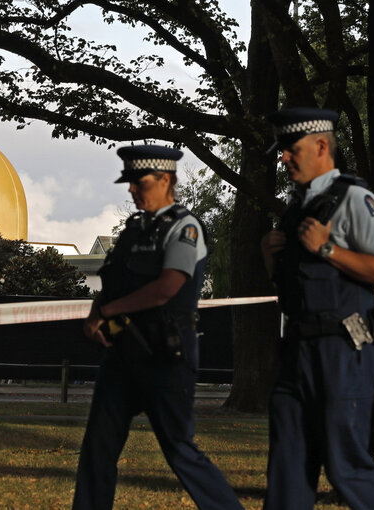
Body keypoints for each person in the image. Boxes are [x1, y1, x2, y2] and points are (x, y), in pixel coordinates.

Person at [73, 145, 243, 510]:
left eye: (140, 183)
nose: (132, 190)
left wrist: (110, 310)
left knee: (180, 449)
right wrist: (94, 314)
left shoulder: (185, 227)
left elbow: (168, 286)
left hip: (164, 354)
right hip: (122, 354)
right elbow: (111, 281)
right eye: (129, 183)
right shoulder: (133, 229)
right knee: (97, 448)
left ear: (166, 180)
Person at [259, 108, 374, 510]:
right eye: (282, 151)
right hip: (296, 354)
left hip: (343, 351)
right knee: (286, 472)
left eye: (291, 149)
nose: (284, 158)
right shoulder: (296, 208)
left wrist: (328, 248)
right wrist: (271, 257)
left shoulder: (355, 198)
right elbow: (292, 287)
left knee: (346, 468)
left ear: (321, 145)